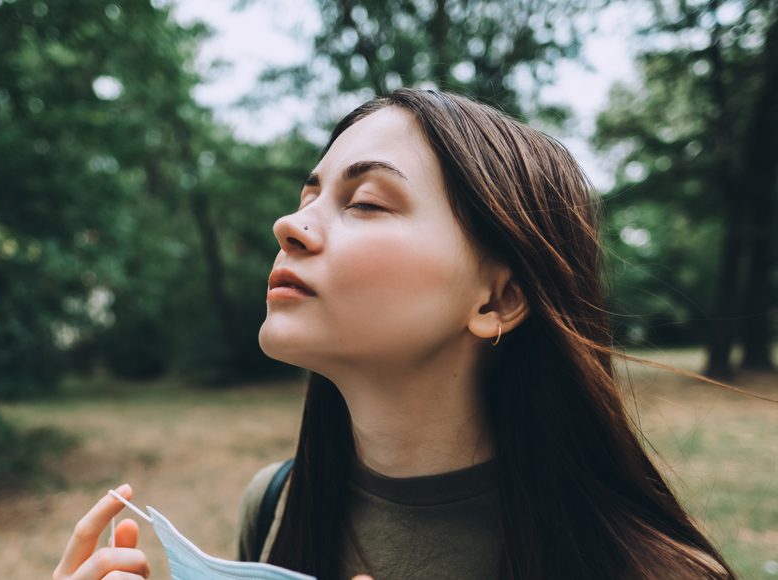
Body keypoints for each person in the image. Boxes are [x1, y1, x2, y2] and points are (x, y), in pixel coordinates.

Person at [53, 89, 734, 580]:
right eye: (307, 197)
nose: (289, 226)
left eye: (366, 202)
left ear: (499, 299)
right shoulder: (277, 504)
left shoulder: (655, 571)